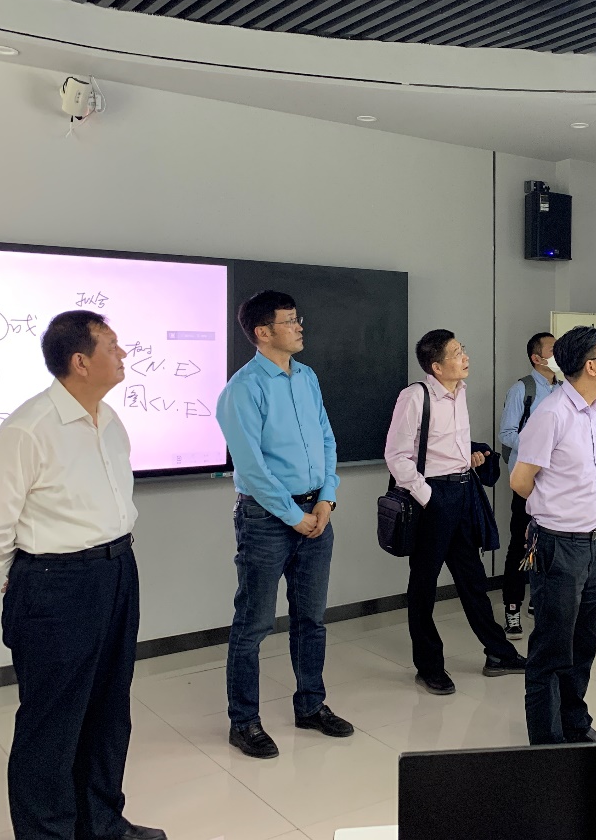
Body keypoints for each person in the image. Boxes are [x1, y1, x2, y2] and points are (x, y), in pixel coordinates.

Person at [0, 310, 165, 840]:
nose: (124, 354)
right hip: (56, 584)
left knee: (109, 708)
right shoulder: (28, 429)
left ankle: (101, 823)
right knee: (52, 721)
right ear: (80, 361)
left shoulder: (110, 420)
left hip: (117, 572)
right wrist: (24, 575)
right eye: (112, 346)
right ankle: (47, 833)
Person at [216, 290, 353, 760]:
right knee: (253, 624)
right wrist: (295, 517)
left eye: (298, 318)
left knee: (311, 619)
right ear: (263, 331)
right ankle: (244, 721)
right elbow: (252, 469)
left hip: (317, 511)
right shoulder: (243, 389)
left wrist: (327, 498)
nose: (299, 326)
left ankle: (311, 705)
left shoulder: (307, 377)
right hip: (267, 519)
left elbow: (327, 439)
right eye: (290, 320)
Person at [385, 329, 526, 695]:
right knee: (423, 586)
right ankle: (429, 666)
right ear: (437, 366)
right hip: (432, 498)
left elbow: (448, 446)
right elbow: (396, 456)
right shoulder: (415, 397)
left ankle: (498, 654)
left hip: (463, 493)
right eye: (457, 352)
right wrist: (428, 497)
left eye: (463, 349)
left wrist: (472, 456)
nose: (465, 357)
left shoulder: (459, 392)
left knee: (473, 580)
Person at [510, 325, 596, 744]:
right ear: (591, 366)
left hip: (592, 543)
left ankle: (574, 724)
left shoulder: (592, 409)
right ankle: (547, 748)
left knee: (583, 645)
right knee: (551, 652)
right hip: (557, 545)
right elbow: (520, 480)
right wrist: (551, 508)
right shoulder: (552, 413)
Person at [497, 331, 560, 636]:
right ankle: (512, 608)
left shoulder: (564, 389)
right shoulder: (522, 389)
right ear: (537, 358)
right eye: (552, 350)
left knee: (549, 543)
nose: (558, 355)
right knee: (520, 544)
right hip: (526, 481)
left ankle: (539, 599)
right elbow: (507, 433)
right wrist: (540, 446)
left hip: (554, 483)